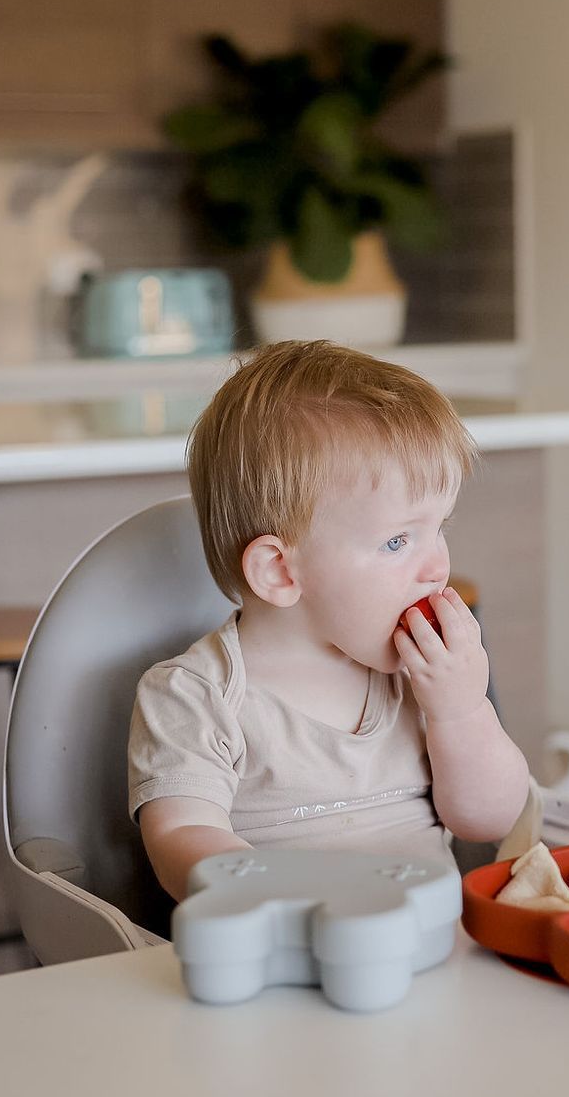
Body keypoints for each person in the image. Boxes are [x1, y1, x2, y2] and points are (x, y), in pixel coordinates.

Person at [128, 340, 538, 901]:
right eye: (398, 540)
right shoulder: (196, 696)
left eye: (438, 527)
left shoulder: (419, 679)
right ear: (279, 571)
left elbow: (489, 823)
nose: (438, 563)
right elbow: (181, 836)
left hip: (435, 948)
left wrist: (462, 711)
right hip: (287, 956)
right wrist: (289, 898)